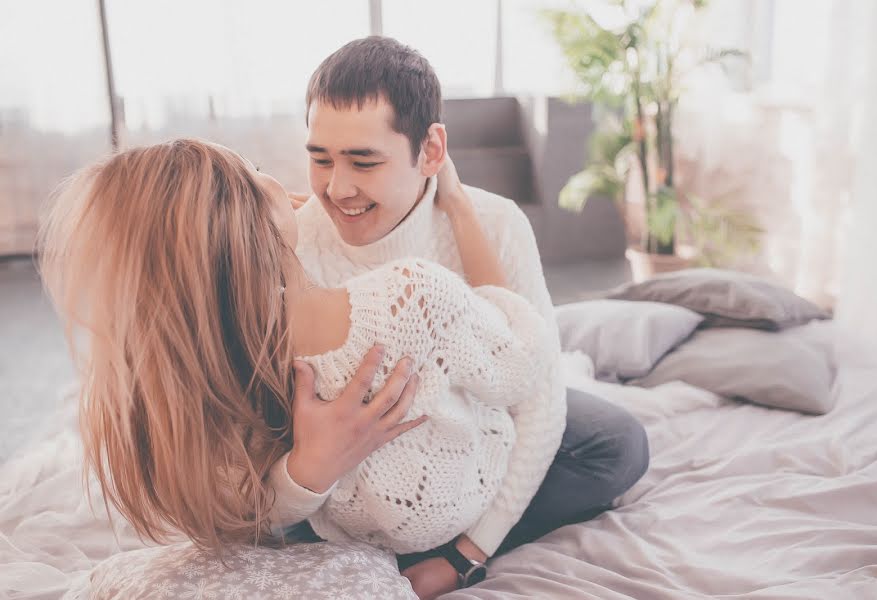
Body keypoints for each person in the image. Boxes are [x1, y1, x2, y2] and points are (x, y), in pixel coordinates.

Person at [37, 139, 557, 571]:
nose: (286, 182)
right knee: (611, 443)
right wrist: (464, 223)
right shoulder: (413, 291)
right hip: (465, 488)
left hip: (354, 523)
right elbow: (524, 365)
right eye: (256, 171)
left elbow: (242, 511)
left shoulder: (208, 362)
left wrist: (309, 470)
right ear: (251, 222)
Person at [276, 36, 650, 598]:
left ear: (430, 152)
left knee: (615, 443)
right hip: (344, 474)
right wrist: (310, 471)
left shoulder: (494, 224)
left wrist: (464, 555)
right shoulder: (293, 237)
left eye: (364, 161)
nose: (337, 188)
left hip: (476, 432)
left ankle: (444, 534)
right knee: (263, 508)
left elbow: (537, 400)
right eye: (320, 158)